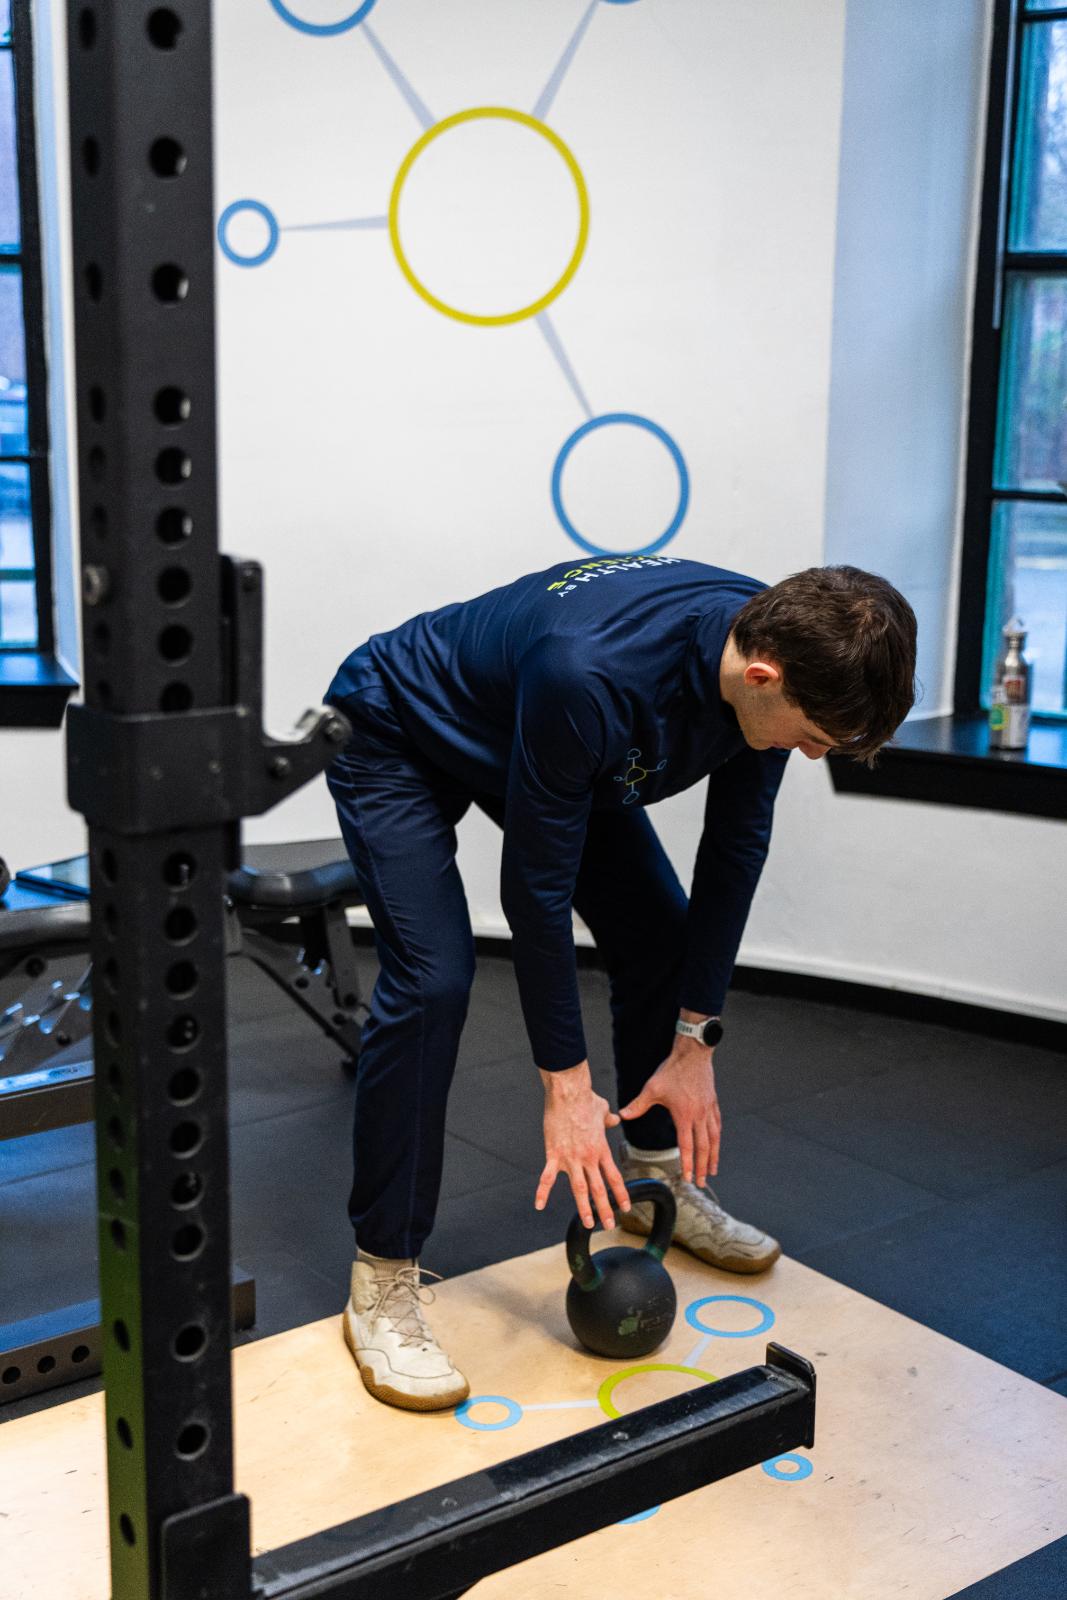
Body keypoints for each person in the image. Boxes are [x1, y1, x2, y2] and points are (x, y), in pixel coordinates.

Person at [322, 554, 917, 1412]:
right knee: (433, 981)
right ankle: (381, 1273)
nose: (804, 753)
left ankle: (651, 1181)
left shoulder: (779, 649)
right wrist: (565, 1087)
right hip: (398, 724)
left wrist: (694, 1038)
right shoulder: (590, 674)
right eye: (810, 738)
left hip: (534, 735)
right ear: (762, 675)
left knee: (660, 936)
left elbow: (735, 846)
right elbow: (536, 891)